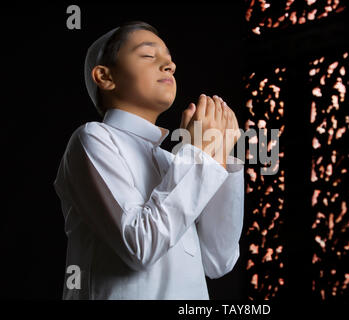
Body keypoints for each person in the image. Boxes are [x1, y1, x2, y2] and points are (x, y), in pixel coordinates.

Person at [53, 21, 244, 300]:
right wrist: (198, 157)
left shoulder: (175, 162)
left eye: (169, 60)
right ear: (105, 77)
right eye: (148, 55)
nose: (169, 66)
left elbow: (218, 261)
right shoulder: (92, 138)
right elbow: (139, 246)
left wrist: (219, 156)